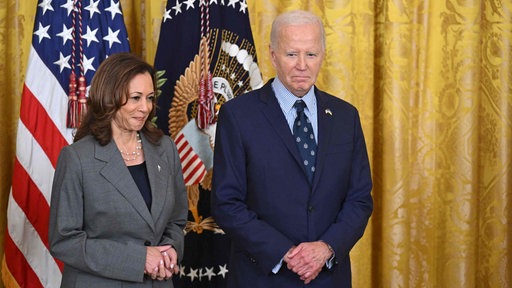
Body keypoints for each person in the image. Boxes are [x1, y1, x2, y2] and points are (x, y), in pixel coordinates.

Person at [211, 10, 373, 287]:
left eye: (311, 54)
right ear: (273, 55)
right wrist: (285, 253)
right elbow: (226, 203)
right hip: (262, 276)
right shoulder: (238, 116)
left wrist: (326, 248)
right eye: (291, 54)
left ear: (322, 55)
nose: (302, 65)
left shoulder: (346, 117)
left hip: (328, 277)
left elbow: (359, 199)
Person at [49, 52, 188, 287]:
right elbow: (64, 240)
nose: (145, 107)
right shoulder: (77, 159)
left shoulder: (165, 148)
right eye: (135, 98)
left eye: (150, 98)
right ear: (110, 98)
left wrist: (170, 249)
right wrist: (139, 259)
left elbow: (176, 219)